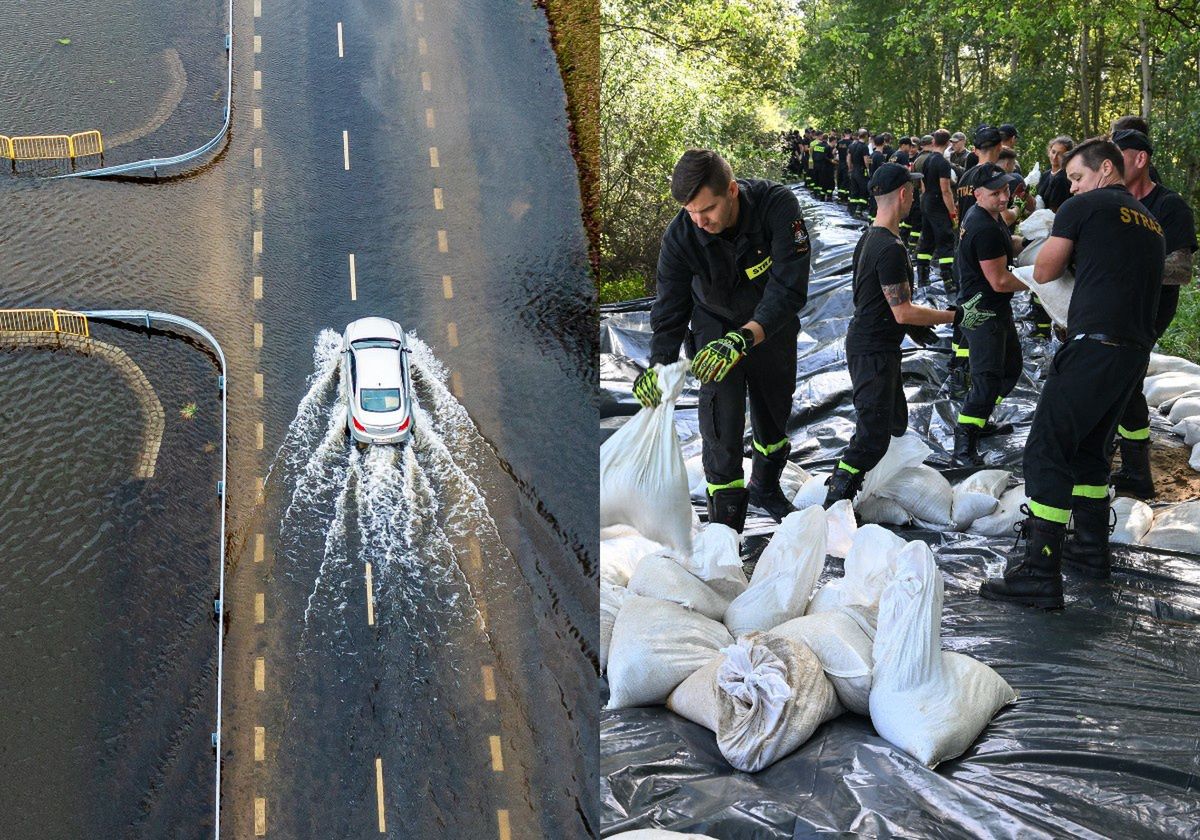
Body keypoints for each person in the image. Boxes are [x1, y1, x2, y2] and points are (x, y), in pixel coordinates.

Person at [979, 138, 1165, 607]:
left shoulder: (1084, 208)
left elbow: (1043, 271)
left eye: (1078, 177)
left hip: (1093, 345)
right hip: (1132, 353)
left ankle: (1039, 569)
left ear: (1106, 169)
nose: (1074, 187)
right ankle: (1089, 550)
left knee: (1047, 448)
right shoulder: (1152, 224)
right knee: (1089, 452)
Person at [634, 149, 811, 531]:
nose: (699, 221)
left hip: (769, 327)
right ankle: (725, 528)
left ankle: (765, 486)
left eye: (707, 210)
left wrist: (746, 338)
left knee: (773, 417)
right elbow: (669, 309)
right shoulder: (681, 236)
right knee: (721, 426)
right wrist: (659, 367)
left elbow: (789, 287)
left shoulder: (776, 206)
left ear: (731, 190)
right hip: (714, 329)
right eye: (690, 212)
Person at [824, 164, 988, 506]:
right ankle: (835, 502)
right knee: (872, 437)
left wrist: (915, 329)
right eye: (912, 191)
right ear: (902, 194)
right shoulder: (890, 249)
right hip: (872, 352)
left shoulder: (871, 237)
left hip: (878, 346)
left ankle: (877, 483)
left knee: (895, 422)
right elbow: (902, 309)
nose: (915, 197)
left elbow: (879, 300)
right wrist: (955, 316)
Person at [1108, 129, 1198, 498]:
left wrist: (1131, 268)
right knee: (1119, 379)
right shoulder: (1109, 201)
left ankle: (1135, 469)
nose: (1109, 166)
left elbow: (1181, 269)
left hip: (1149, 310)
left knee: (1124, 376)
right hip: (1110, 306)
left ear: (1140, 159)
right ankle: (1131, 464)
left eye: (1118, 158)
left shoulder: (1169, 206)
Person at [950, 164, 1027, 465]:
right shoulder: (983, 227)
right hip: (981, 313)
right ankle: (964, 443)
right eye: (995, 192)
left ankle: (979, 418)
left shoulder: (988, 218)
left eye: (1006, 190)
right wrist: (1041, 280)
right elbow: (1000, 280)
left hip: (993, 307)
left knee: (1011, 367)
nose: (1004, 197)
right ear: (978, 194)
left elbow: (1007, 246)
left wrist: (1033, 245)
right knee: (986, 379)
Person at [915, 129, 958, 289]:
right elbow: (945, 190)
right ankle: (948, 280)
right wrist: (952, 213)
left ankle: (922, 278)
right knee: (946, 239)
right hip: (938, 203)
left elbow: (923, 185)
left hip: (926, 201)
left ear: (933, 142)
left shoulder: (927, 160)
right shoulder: (943, 163)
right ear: (948, 143)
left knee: (927, 238)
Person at [1037, 135, 1074, 212]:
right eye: (1053, 152)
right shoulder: (1045, 175)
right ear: (1049, 152)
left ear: (1067, 157)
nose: (1054, 157)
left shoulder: (1063, 178)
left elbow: (1055, 210)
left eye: (1060, 154)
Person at [848, 129, 872, 217]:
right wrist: (869, 169)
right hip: (861, 171)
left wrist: (850, 168)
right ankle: (859, 210)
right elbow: (866, 160)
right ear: (866, 136)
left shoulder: (852, 145)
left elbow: (848, 158)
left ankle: (852, 210)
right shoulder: (864, 147)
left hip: (854, 170)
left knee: (854, 190)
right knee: (863, 191)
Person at [835, 130, 852, 201]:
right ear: (850, 134)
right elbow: (850, 156)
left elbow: (834, 151)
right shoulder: (851, 143)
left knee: (840, 179)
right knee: (846, 180)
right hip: (846, 164)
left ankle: (839, 195)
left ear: (844, 134)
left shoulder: (839, 142)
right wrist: (850, 167)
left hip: (840, 164)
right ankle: (844, 197)